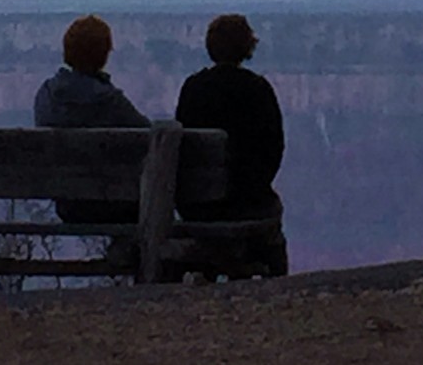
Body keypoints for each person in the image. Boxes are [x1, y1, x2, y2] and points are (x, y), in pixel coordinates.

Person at [34, 13, 148, 226]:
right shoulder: (109, 101)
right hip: (112, 200)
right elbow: (150, 139)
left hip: (67, 203)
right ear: (103, 55)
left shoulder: (46, 94)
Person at [175, 13, 284, 224]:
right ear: (247, 46)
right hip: (246, 202)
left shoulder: (193, 87)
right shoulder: (257, 88)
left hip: (197, 204)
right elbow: (274, 148)